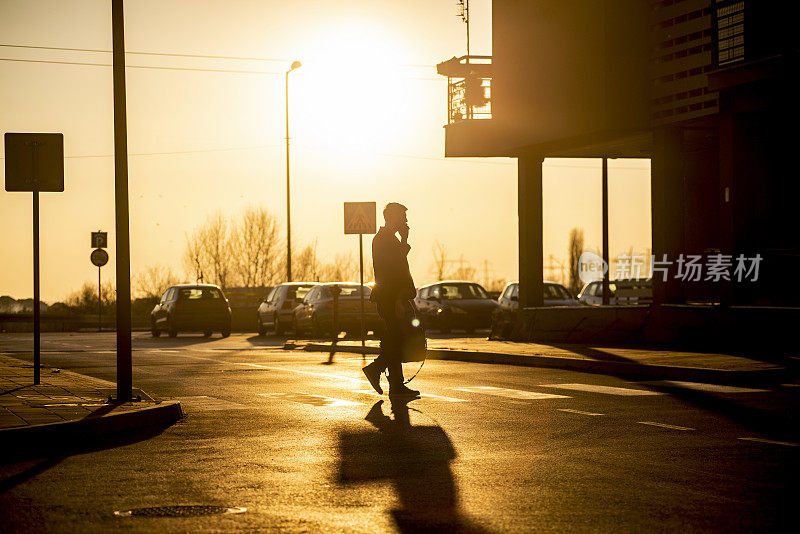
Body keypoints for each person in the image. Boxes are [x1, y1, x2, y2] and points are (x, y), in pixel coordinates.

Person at [362, 202, 420, 397]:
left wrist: (403, 240)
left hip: (394, 296)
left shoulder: (389, 239)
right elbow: (393, 268)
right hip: (391, 297)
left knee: (394, 339)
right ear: (392, 217)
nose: (405, 221)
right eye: (402, 217)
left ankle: (396, 386)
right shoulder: (383, 239)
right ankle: (375, 369)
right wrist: (404, 241)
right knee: (398, 340)